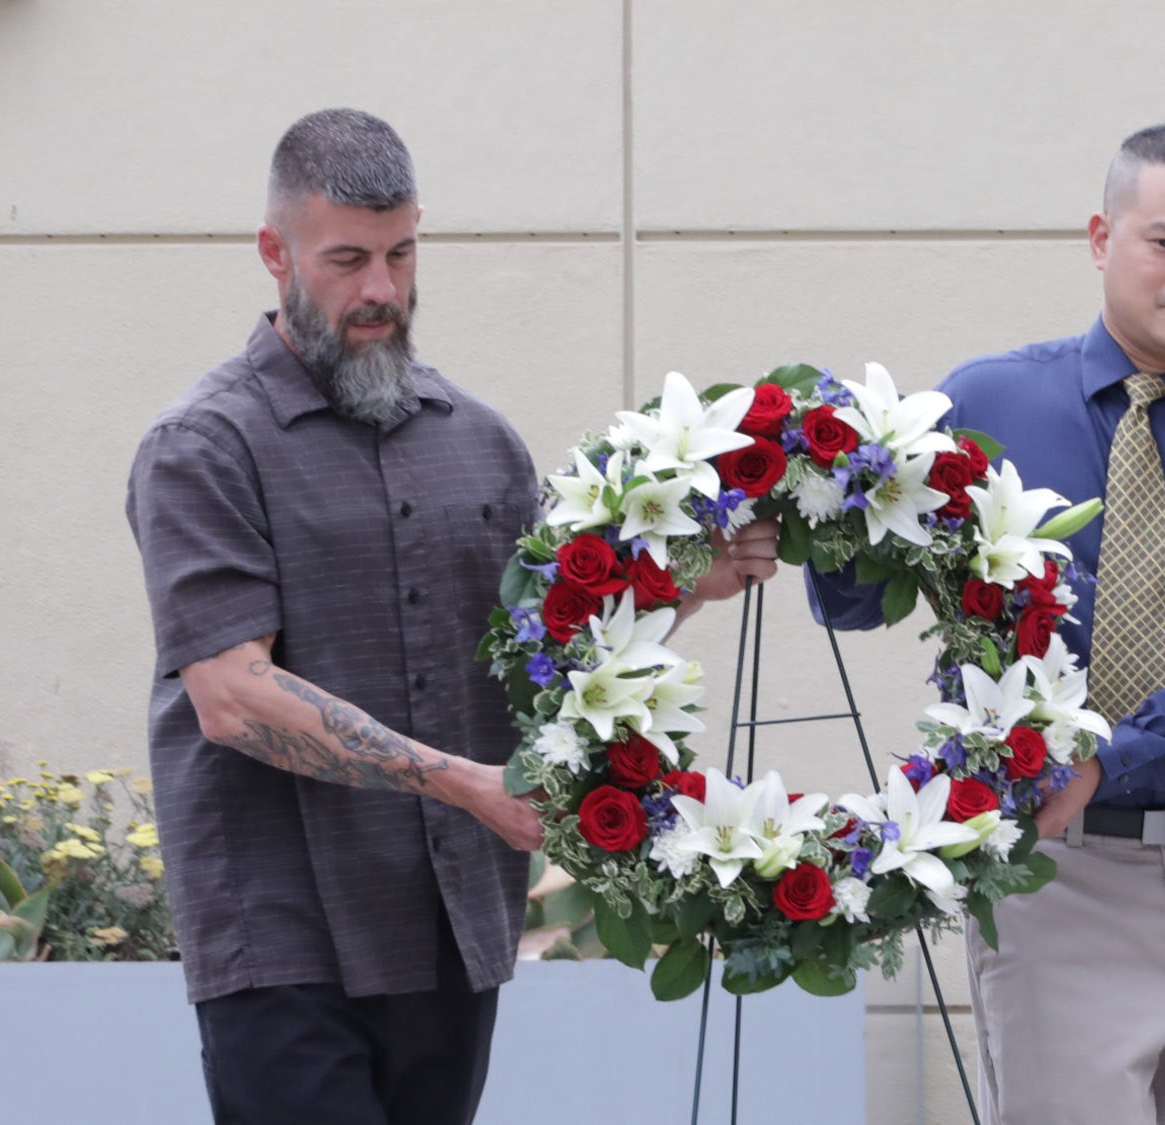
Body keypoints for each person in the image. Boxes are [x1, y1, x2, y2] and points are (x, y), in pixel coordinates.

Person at [126, 107, 778, 1125]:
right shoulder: (202, 447)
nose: (380, 289)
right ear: (273, 252)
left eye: (399, 253)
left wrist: (685, 581)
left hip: (448, 923)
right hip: (282, 934)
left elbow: (550, 658)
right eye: (346, 259)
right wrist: (466, 784)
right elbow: (230, 698)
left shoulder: (478, 439)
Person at [806, 123, 1165, 1123]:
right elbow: (851, 597)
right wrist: (816, 497)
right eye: (1163, 241)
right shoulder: (983, 403)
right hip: (1059, 880)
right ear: (1101, 238)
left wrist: (1103, 758)